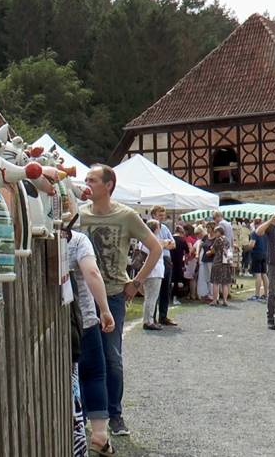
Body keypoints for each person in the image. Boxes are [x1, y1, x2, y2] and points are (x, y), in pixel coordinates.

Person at [80, 164, 162, 438]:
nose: (87, 183)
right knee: (83, 355)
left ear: (108, 185)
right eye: (86, 179)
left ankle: (115, 414)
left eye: (92, 180)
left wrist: (136, 282)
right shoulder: (80, 216)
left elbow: (156, 247)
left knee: (111, 357)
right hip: (84, 295)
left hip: (114, 293)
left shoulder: (126, 216)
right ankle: (88, 413)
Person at [63, 223, 116, 456]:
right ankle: (99, 435)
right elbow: (92, 273)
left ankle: (77, 431)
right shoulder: (77, 241)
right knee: (93, 373)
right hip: (82, 319)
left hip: (53, 324)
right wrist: (104, 309)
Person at [149, 206, 178, 326]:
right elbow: (152, 244)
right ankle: (152, 317)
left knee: (166, 289)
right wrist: (164, 244)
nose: (162, 217)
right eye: (160, 215)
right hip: (155, 259)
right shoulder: (148, 227)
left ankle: (163, 316)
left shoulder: (165, 228)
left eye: (163, 215)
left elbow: (173, 244)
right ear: (154, 215)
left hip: (166, 259)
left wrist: (162, 244)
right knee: (154, 290)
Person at [141, 220, 167, 330]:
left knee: (149, 297)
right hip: (154, 271)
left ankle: (149, 319)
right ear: (156, 228)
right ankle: (148, 321)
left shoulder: (144, 239)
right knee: (152, 297)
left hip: (151, 271)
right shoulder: (153, 240)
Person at [209, 226, 233, 306]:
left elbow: (213, 250)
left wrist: (211, 248)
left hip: (217, 262)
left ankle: (215, 300)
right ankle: (225, 301)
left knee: (215, 282)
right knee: (224, 283)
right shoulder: (226, 240)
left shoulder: (218, 240)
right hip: (225, 263)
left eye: (216, 232)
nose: (215, 234)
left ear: (219, 232)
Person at [249, 218, 268, 301]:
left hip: (256, 254)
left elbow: (252, 245)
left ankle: (257, 294)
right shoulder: (265, 233)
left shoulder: (255, 233)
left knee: (258, 274)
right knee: (264, 274)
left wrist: (247, 246)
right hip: (264, 254)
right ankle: (266, 294)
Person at [171, 226, 189, 301]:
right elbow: (187, 251)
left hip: (170, 261)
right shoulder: (182, 240)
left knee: (169, 279)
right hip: (178, 262)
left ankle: (167, 296)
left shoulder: (171, 239)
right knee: (176, 281)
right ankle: (175, 297)